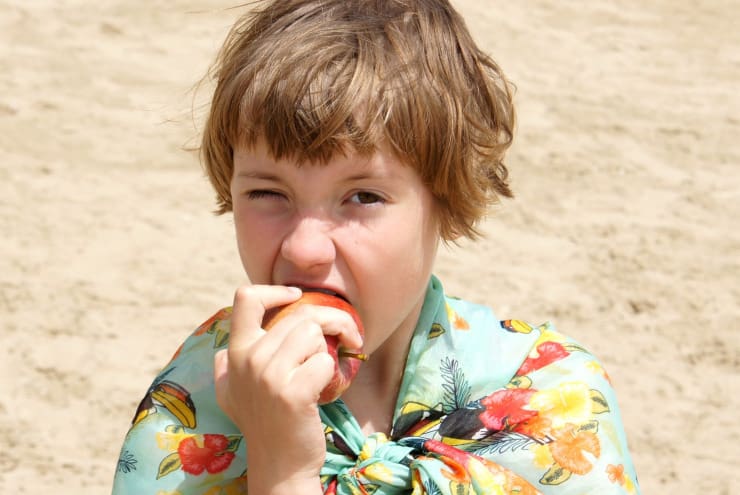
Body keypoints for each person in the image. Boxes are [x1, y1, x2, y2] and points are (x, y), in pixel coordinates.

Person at [112, 1, 640, 494]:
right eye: (268, 192)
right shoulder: (198, 394)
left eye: (363, 196)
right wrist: (280, 464)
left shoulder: (552, 391)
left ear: (446, 200)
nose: (305, 247)